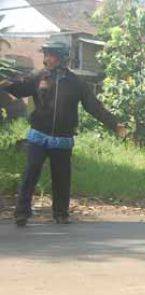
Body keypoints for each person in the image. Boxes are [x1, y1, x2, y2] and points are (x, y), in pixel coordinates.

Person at [0, 41, 127, 226]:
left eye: (51, 55)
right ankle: (21, 213)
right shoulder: (38, 77)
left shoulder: (77, 83)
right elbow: (21, 89)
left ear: (62, 58)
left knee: (61, 177)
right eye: (46, 55)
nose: (46, 59)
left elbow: (94, 107)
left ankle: (61, 213)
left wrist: (115, 125)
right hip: (38, 136)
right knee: (30, 173)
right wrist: (7, 85)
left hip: (62, 140)